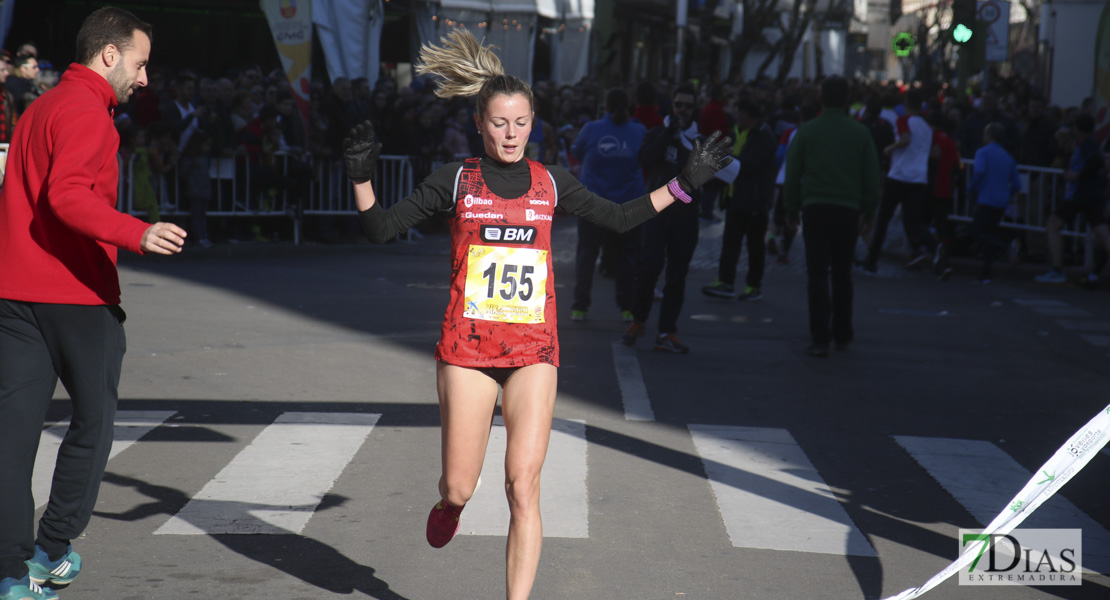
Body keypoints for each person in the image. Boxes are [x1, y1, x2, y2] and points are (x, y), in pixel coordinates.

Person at [343, 30, 728, 600]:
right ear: (479, 122)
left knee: (523, 486)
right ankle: (449, 508)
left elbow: (619, 217)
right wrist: (361, 178)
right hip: (468, 352)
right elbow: (379, 228)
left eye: (521, 123)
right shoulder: (456, 179)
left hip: (533, 351)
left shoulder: (551, 182)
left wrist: (683, 185)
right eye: (499, 123)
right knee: (459, 486)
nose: (511, 134)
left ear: (534, 123)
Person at [0, 8, 187, 600]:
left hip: (14, 292)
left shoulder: (40, 108)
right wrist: (136, 232)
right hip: (76, 294)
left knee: (13, 435)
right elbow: (67, 197)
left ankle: (9, 572)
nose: (145, 78)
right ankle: (52, 548)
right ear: (109, 55)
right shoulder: (89, 114)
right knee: (94, 423)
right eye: (141, 63)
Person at [783, 75, 880, 357]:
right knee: (842, 274)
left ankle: (820, 338)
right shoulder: (860, 133)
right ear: (848, 99)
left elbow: (792, 175)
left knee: (816, 274)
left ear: (821, 99)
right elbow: (872, 178)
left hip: (814, 207)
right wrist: (870, 211)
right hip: (848, 210)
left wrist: (791, 210)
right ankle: (842, 333)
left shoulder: (808, 130)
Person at [623, 84, 717, 354]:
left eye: (688, 106)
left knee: (677, 275)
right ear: (671, 107)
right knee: (649, 268)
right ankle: (638, 321)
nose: (683, 110)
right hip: (656, 212)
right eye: (678, 105)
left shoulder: (701, 140)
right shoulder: (658, 133)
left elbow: (712, 184)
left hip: (686, 216)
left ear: (694, 109)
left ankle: (667, 331)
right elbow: (644, 159)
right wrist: (669, 133)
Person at [569, 87, 647, 322]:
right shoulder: (640, 131)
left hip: (594, 203)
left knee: (587, 256)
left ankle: (579, 307)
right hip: (628, 204)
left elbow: (576, 152)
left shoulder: (592, 129)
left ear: (606, 106)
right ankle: (627, 308)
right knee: (625, 258)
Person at [860, 87, 944, 274]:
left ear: (906, 104)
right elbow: (935, 152)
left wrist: (889, 149)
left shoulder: (904, 120)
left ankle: (871, 261)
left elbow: (905, 139)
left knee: (883, 220)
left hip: (899, 175)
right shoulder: (927, 127)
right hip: (918, 178)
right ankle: (934, 244)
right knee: (912, 220)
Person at [702, 99, 777, 301]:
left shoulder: (764, 136)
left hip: (755, 200)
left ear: (749, 117)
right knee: (730, 244)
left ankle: (753, 286)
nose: (736, 118)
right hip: (735, 198)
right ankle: (725, 282)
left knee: (755, 247)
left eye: (739, 115)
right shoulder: (737, 132)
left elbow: (750, 165)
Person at [1034, 114, 1110, 285]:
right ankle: (1057, 268)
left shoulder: (1087, 145)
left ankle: (1057, 269)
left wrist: (1077, 174)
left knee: (1053, 223)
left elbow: (1096, 161)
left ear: (1077, 129)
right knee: (1103, 232)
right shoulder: (1091, 145)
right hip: (1094, 194)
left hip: (1079, 194)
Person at [968, 122, 1022, 283]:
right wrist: (1007, 193)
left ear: (989, 136)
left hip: (986, 198)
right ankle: (986, 272)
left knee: (978, 233)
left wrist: (971, 188)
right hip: (1001, 201)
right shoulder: (1008, 157)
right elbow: (1017, 184)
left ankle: (1006, 247)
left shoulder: (982, 152)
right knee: (989, 234)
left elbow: (978, 170)